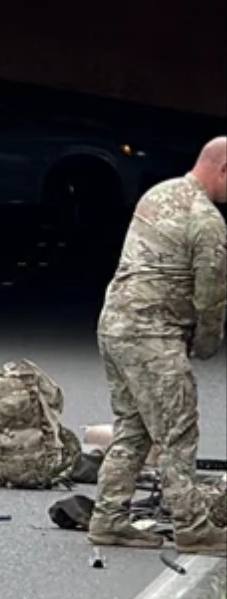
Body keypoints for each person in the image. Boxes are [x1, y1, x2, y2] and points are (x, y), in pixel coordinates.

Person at [88, 137, 227, 556]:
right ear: (222, 169)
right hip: (153, 336)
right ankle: (193, 527)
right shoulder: (207, 221)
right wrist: (206, 345)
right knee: (177, 432)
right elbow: (211, 297)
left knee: (134, 427)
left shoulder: (158, 193)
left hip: (114, 326)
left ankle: (109, 518)